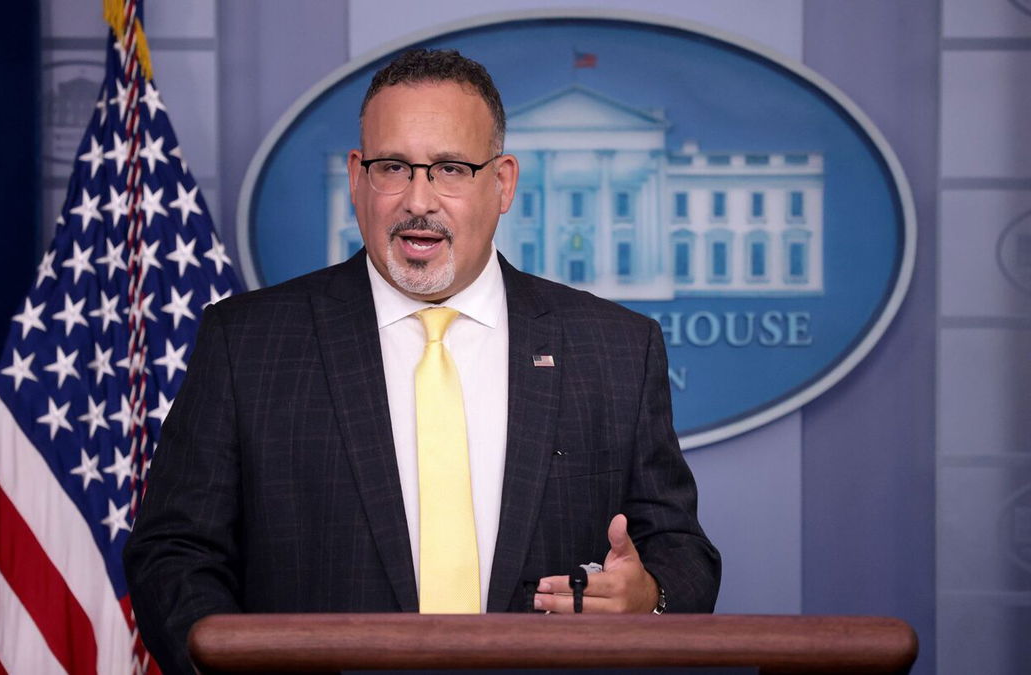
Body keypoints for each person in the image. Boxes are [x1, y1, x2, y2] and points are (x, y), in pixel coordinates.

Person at [124, 48, 719, 674]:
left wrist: (649, 598)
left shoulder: (617, 348)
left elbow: (680, 550)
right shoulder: (246, 342)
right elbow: (175, 553)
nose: (418, 199)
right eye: (393, 168)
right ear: (357, 178)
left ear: (503, 182)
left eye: (451, 169)